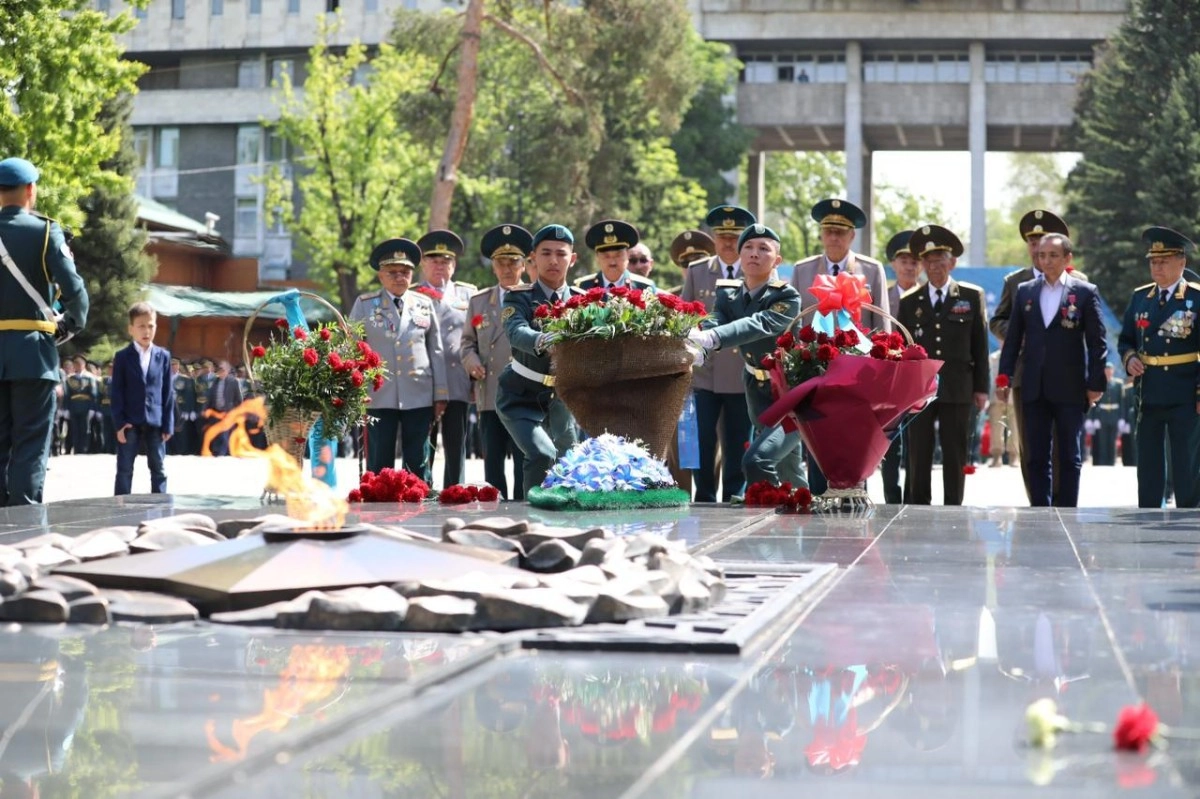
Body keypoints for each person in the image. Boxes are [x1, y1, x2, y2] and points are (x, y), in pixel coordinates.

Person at [688, 224, 806, 488]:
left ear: (777, 260)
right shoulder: (728, 293)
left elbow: (759, 323)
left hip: (788, 391)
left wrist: (714, 339)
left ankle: (769, 511)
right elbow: (717, 317)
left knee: (757, 460)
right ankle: (801, 511)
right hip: (756, 387)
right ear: (740, 257)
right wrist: (701, 343)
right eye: (748, 248)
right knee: (788, 467)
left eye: (763, 249)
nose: (754, 253)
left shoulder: (786, 295)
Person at [0, 156, 88, 505]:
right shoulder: (47, 232)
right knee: (30, 444)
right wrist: (67, 327)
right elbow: (75, 293)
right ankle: (21, 532)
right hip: (33, 354)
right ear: (30, 190)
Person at [996, 233, 1107, 507]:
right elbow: (1012, 341)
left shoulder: (1084, 292)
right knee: (1035, 455)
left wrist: (1096, 384)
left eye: (1053, 255)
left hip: (1070, 387)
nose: (1046, 260)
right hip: (1034, 385)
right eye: (1042, 255)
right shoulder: (1026, 291)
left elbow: (1097, 342)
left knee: (1069, 454)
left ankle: (1067, 510)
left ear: (1067, 258)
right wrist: (1004, 377)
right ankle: (1039, 512)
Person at [897, 225, 989, 506]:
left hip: (959, 385)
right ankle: (918, 505)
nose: (934, 267)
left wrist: (982, 388)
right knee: (919, 451)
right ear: (922, 265)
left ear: (952, 263)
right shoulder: (910, 301)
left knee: (955, 450)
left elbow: (980, 345)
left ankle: (953, 506)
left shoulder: (971, 297)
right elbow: (902, 347)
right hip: (921, 389)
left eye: (940, 261)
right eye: (929, 261)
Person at [1117, 226, 1200, 508]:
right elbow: (1126, 340)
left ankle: (1189, 514)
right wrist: (1129, 358)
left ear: (1182, 262)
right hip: (1148, 392)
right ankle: (1149, 512)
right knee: (1149, 462)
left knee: (1185, 462)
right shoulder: (1141, 298)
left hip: (1184, 392)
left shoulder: (1196, 299)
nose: (1157, 267)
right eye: (1153, 261)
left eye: (1164, 261)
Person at [351, 238, 447, 480]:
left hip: (419, 393)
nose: (399, 277)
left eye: (404, 272)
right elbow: (352, 349)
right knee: (379, 461)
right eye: (392, 272)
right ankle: (378, 505)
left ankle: (420, 504)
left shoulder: (424, 304)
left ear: (412, 275)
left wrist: (441, 393)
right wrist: (356, 389)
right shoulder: (364, 305)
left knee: (418, 460)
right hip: (378, 394)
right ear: (381, 276)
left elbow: (435, 350)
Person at [497, 224, 583, 491]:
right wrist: (543, 339)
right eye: (546, 253)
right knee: (542, 454)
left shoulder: (584, 301)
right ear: (533, 257)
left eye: (561, 253)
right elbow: (516, 331)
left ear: (573, 258)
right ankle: (531, 519)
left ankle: (565, 525)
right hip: (520, 395)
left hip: (563, 398)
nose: (554, 260)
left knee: (570, 463)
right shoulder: (518, 297)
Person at [682, 206, 756, 502]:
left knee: (739, 440)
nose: (727, 242)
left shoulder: (756, 270)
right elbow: (685, 317)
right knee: (702, 440)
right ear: (713, 238)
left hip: (741, 372)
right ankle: (704, 495)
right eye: (722, 236)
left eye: (735, 236)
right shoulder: (698, 270)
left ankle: (735, 496)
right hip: (705, 374)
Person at [461, 224, 531, 500]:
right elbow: (467, 342)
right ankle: (496, 510)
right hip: (491, 393)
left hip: (525, 391)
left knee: (524, 457)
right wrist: (471, 362)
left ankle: (523, 507)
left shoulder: (533, 297)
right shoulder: (479, 302)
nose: (507, 268)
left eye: (513, 261)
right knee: (493, 460)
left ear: (523, 265)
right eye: (501, 262)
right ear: (493, 267)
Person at [416, 229, 475, 488]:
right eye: (434, 260)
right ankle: (422, 490)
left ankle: (455, 492)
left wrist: (475, 381)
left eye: (446, 261)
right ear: (423, 263)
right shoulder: (412, 295)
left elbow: (476, 341)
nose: (440, 266)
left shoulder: (468, 295)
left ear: (454, 265)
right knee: (422, 445)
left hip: (457, 380)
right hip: (422, 383)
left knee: (455, 445)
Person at [110, 302, 175, 495]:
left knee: (159, 469)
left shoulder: (163, 356)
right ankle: (120, 507)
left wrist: (168, 425)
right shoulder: (122, 357)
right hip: (130, 422)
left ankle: (161, 507)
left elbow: (168, 392)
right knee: (124, 470)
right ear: (131, 329)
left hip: (155, 422)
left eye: (151, 325)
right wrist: (119, 424)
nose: (147, 331)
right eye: (141, 326)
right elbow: (117, 392)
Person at [881, 230, 917, 503]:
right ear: (893, 264)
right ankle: (891, 498)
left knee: (918, 444)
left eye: (915, 260)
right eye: (903, 260)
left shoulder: (929, 297)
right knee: (889, 444)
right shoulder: (882, 297)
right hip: (887, 382)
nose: (909, 265)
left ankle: (914, 498)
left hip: (918, 382)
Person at [575, 219, 656, 291]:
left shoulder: (645, 287)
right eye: (606, 256)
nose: (612, 262)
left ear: (627, 255)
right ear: (597, 258)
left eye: (618, 255)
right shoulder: (582, 287)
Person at [987, 349, 1020, 467]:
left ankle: (1014, 456)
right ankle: (996, 456)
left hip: (1013, 397)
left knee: (1015, 428)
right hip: (995, 397)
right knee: (996, 428)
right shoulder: (992, 357)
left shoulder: (1018, 355)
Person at [205, 360, 243, 457]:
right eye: (219, 370)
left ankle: (222, 453)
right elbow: (210, 397)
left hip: (227, 412)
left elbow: (238, 399)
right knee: (216, 432)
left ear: (227, 370)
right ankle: (217, 452)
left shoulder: (233, 381)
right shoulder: (215, 381)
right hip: (216, 411)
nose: (220, 372)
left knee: (224, 434)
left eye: (222, 370)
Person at [1088, 363, 1123, 466]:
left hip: (1114, 415)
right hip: (1102, 416)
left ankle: (1111, 462)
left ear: (1113, 371)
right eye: (1106, 370)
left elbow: (1122, 402)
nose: (1108, 372)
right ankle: (1103, 463)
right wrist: (1093, 418)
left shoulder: (1118, 384)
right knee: (1102, 441)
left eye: (1110, 370)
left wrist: (1122, 418)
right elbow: (1095, 402)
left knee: (1112, 441)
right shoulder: (1100, 383)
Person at [65, 354, 97, 454]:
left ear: (84, 364)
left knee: (85, 428)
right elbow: (67, 394)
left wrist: (92, 408)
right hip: (74, 406)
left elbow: (94, 394)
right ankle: (77, 448)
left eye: (79, 363)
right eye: (75, 363)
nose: (77, 365)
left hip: (86, 406)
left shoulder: (89, 377)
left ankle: (84, 449)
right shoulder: (70, 378)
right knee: (74, 428)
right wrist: (66, 408)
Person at [168, 357, 195, 456]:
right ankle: (170, 450)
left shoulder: (185, 379)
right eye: (171, 365)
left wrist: (189, 410)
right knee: (168, 429)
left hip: (180, 408)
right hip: (168, 407)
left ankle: (181, 450)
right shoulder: (164, 377)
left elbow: (190, 395)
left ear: (178, 366)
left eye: (175, 365)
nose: (173, 367)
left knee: (181, 431)